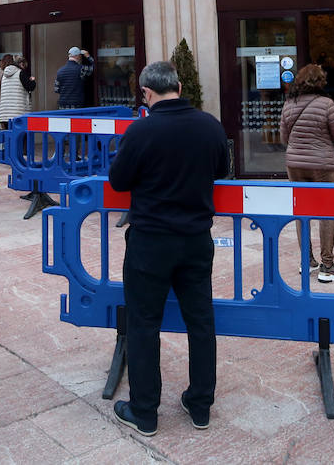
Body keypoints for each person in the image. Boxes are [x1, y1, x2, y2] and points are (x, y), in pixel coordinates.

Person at [108, 60, 230, 436]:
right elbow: (222, 170)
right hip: (195, 239)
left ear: (146, 92)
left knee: (144, 324)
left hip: (151, 241)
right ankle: (200, 405)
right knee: (201, 321)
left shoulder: (141, 131)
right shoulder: (210, 125)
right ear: (178, 85)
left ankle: (145, 411)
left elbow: (118, 180)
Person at [278, 64, 334, 283]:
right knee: (327, 212)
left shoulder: (289, 104)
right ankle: (327, 265)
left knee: (301, 211)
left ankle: (306, 261)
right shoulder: (327, 104)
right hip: (322, 165)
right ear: (320, 82)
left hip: (295, 164)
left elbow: (283, 139)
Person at [0, 55, 36, 124]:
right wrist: (32, 80)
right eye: (24, 66)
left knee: (9, 134)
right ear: (21, 64)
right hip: (18, 114)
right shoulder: (20, 73)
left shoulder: (4, 75)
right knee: (22, 134)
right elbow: (30, 87)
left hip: (5, 115)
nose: (24, 68)